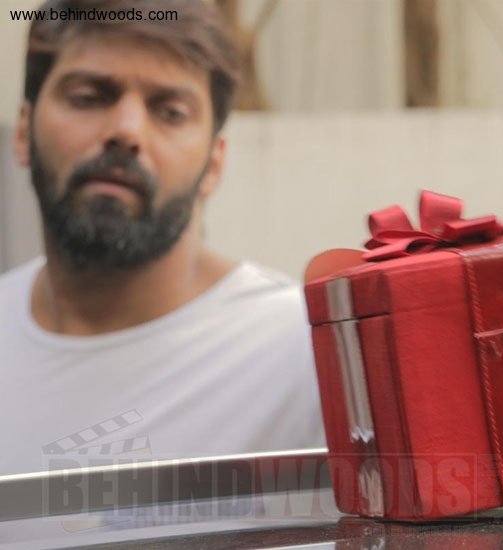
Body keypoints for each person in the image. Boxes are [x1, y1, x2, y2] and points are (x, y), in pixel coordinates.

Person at [0, 0, 324, 476]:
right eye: (88, 97)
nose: (126, 131)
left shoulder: (307, 355)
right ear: (24, 131)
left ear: (214, 163)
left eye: (170, 111)